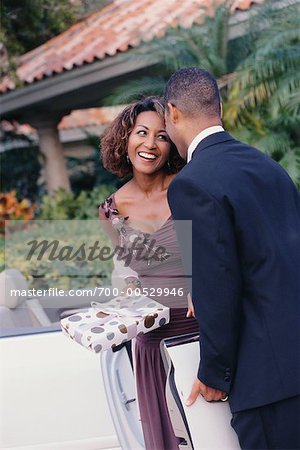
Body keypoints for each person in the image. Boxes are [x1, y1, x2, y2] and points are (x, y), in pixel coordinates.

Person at [163, 67, 300, 450]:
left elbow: (217, 284)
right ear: (218, 107)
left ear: (173, 112)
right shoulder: (269, 167)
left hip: (266, 384)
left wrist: (213, 374)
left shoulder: (190, 183)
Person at [99, 96, 199, 450]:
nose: (150, 144)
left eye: (161, 136)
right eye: (142, 133)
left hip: (199, 331)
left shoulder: (188, 187)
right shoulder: (111, 210)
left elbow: (214, 252)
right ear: (125, 140)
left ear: (171, 143)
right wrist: (124, 301)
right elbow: (127, 272)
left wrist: (200, 285)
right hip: (152, 343)